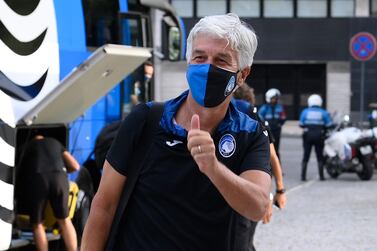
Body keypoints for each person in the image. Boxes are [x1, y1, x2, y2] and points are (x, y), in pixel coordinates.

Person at [81, 13, 271, 251]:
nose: (207, 67)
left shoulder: (249, 133)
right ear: (189, 62)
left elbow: (258, 206)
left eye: (221, 60)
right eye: (199, 57)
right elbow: (104, 205)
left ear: (242, 75)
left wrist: (213, 168)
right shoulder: (147, 120)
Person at [233, 84, 287, 250]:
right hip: (248, 196)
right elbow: (272, 159)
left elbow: (270, 158)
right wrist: (278, 191)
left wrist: (273, 195)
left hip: (244, 198)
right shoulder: (257, 119)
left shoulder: (252, 120)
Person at [19, 134, 80, 251]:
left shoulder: (27, 146)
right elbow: (75, 166)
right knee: (65, 220)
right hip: (59, 178)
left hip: (38, 179)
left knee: (38, 224)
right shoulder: (55, 142)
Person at [299, 94, 333, 181]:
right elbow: (329, 125)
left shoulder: (305, 112)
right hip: (319, 136)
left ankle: (303, 176)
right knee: (319, 156)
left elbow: (301, 124)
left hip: (307, 136)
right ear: (320, 102)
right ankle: (321, 176)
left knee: (306, 155)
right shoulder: (323, 112)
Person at [258, 88, 286, 158]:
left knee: (276, 150)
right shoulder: (264, 108)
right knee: (267, 148)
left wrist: (279, 124)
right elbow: (259, 119)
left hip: (277, 130)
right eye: (274, 98)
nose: (276, 100)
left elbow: (283, 117)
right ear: (269, 98)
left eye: (277, 98)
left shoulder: (279, 107)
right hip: (268, 130)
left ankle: (277, 165)